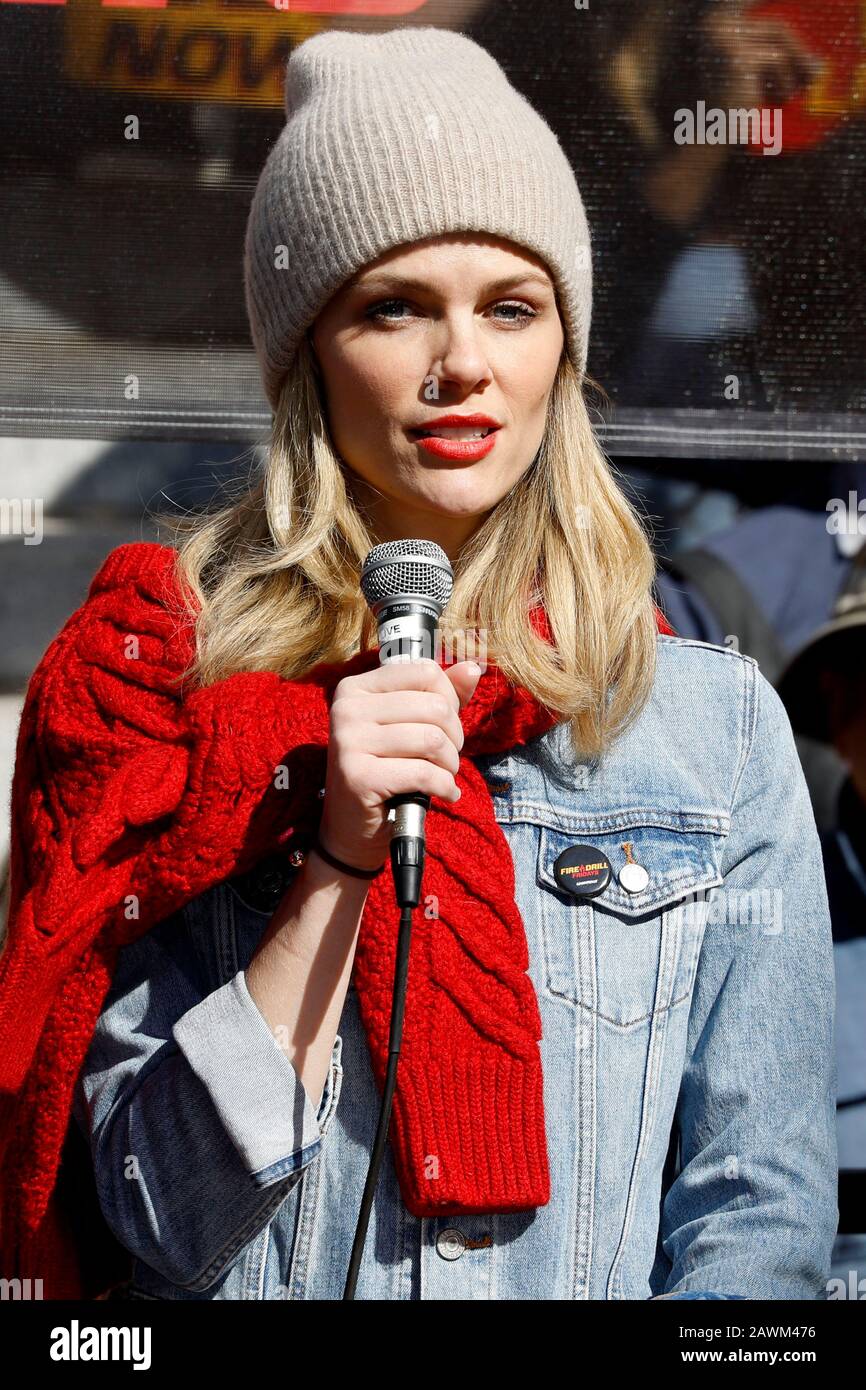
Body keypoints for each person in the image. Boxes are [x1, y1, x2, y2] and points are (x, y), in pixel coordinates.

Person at [0, 26, 836, 1301]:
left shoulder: (709, 733)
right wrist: (332, 854)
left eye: (511, 306)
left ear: (561, 347)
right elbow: (148, 1219)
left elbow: (755, 1219)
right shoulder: (168, 703)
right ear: (306, 356)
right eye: (394, 306)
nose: (462, 364)